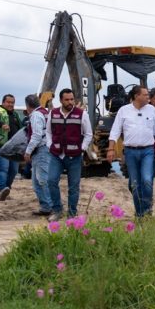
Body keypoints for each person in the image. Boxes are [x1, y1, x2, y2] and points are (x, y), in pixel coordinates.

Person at [106, 84, 155, 217]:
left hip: (147, 151)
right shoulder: (123, 111)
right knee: (135, 184)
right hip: (130, 152)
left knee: (147, 180)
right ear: (136, 96)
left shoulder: (151, 110)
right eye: (145, 95)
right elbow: (115, 131)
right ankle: (140, 214)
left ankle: (147, 210)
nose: (148, 97)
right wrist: (111, 149)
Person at [46, 88, 93, 221]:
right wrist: (49, 145)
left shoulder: (82, 114)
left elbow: (88, 134)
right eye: (66, 99)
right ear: (61, 100)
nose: (70, 102)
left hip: (75, 156)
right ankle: (57, 210)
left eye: (72, 99)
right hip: (56, 155)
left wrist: (82, 148)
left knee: (73, 186)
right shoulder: (53, 114)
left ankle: (72, 213)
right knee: (51, 181)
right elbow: (48, 132)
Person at [22, 94, 53, 216]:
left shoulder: (35, 115)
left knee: (42, 180)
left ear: (27, 105)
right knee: (37, 181)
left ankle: (50, 206)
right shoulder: (46, 112)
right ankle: (46, 206)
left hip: (41, 149)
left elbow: (36, 135)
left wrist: (28, 151)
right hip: (47, 148)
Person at [0, 93, 21, 201]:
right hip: (0, 146)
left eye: (12, 103)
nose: (10, 104)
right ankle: (2, 190)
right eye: (8, 102)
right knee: (3, 168)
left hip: (13, 147)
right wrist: (2, 124)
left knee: (14, 170)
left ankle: (6, 190)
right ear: (3, 102)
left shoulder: (15, 115)